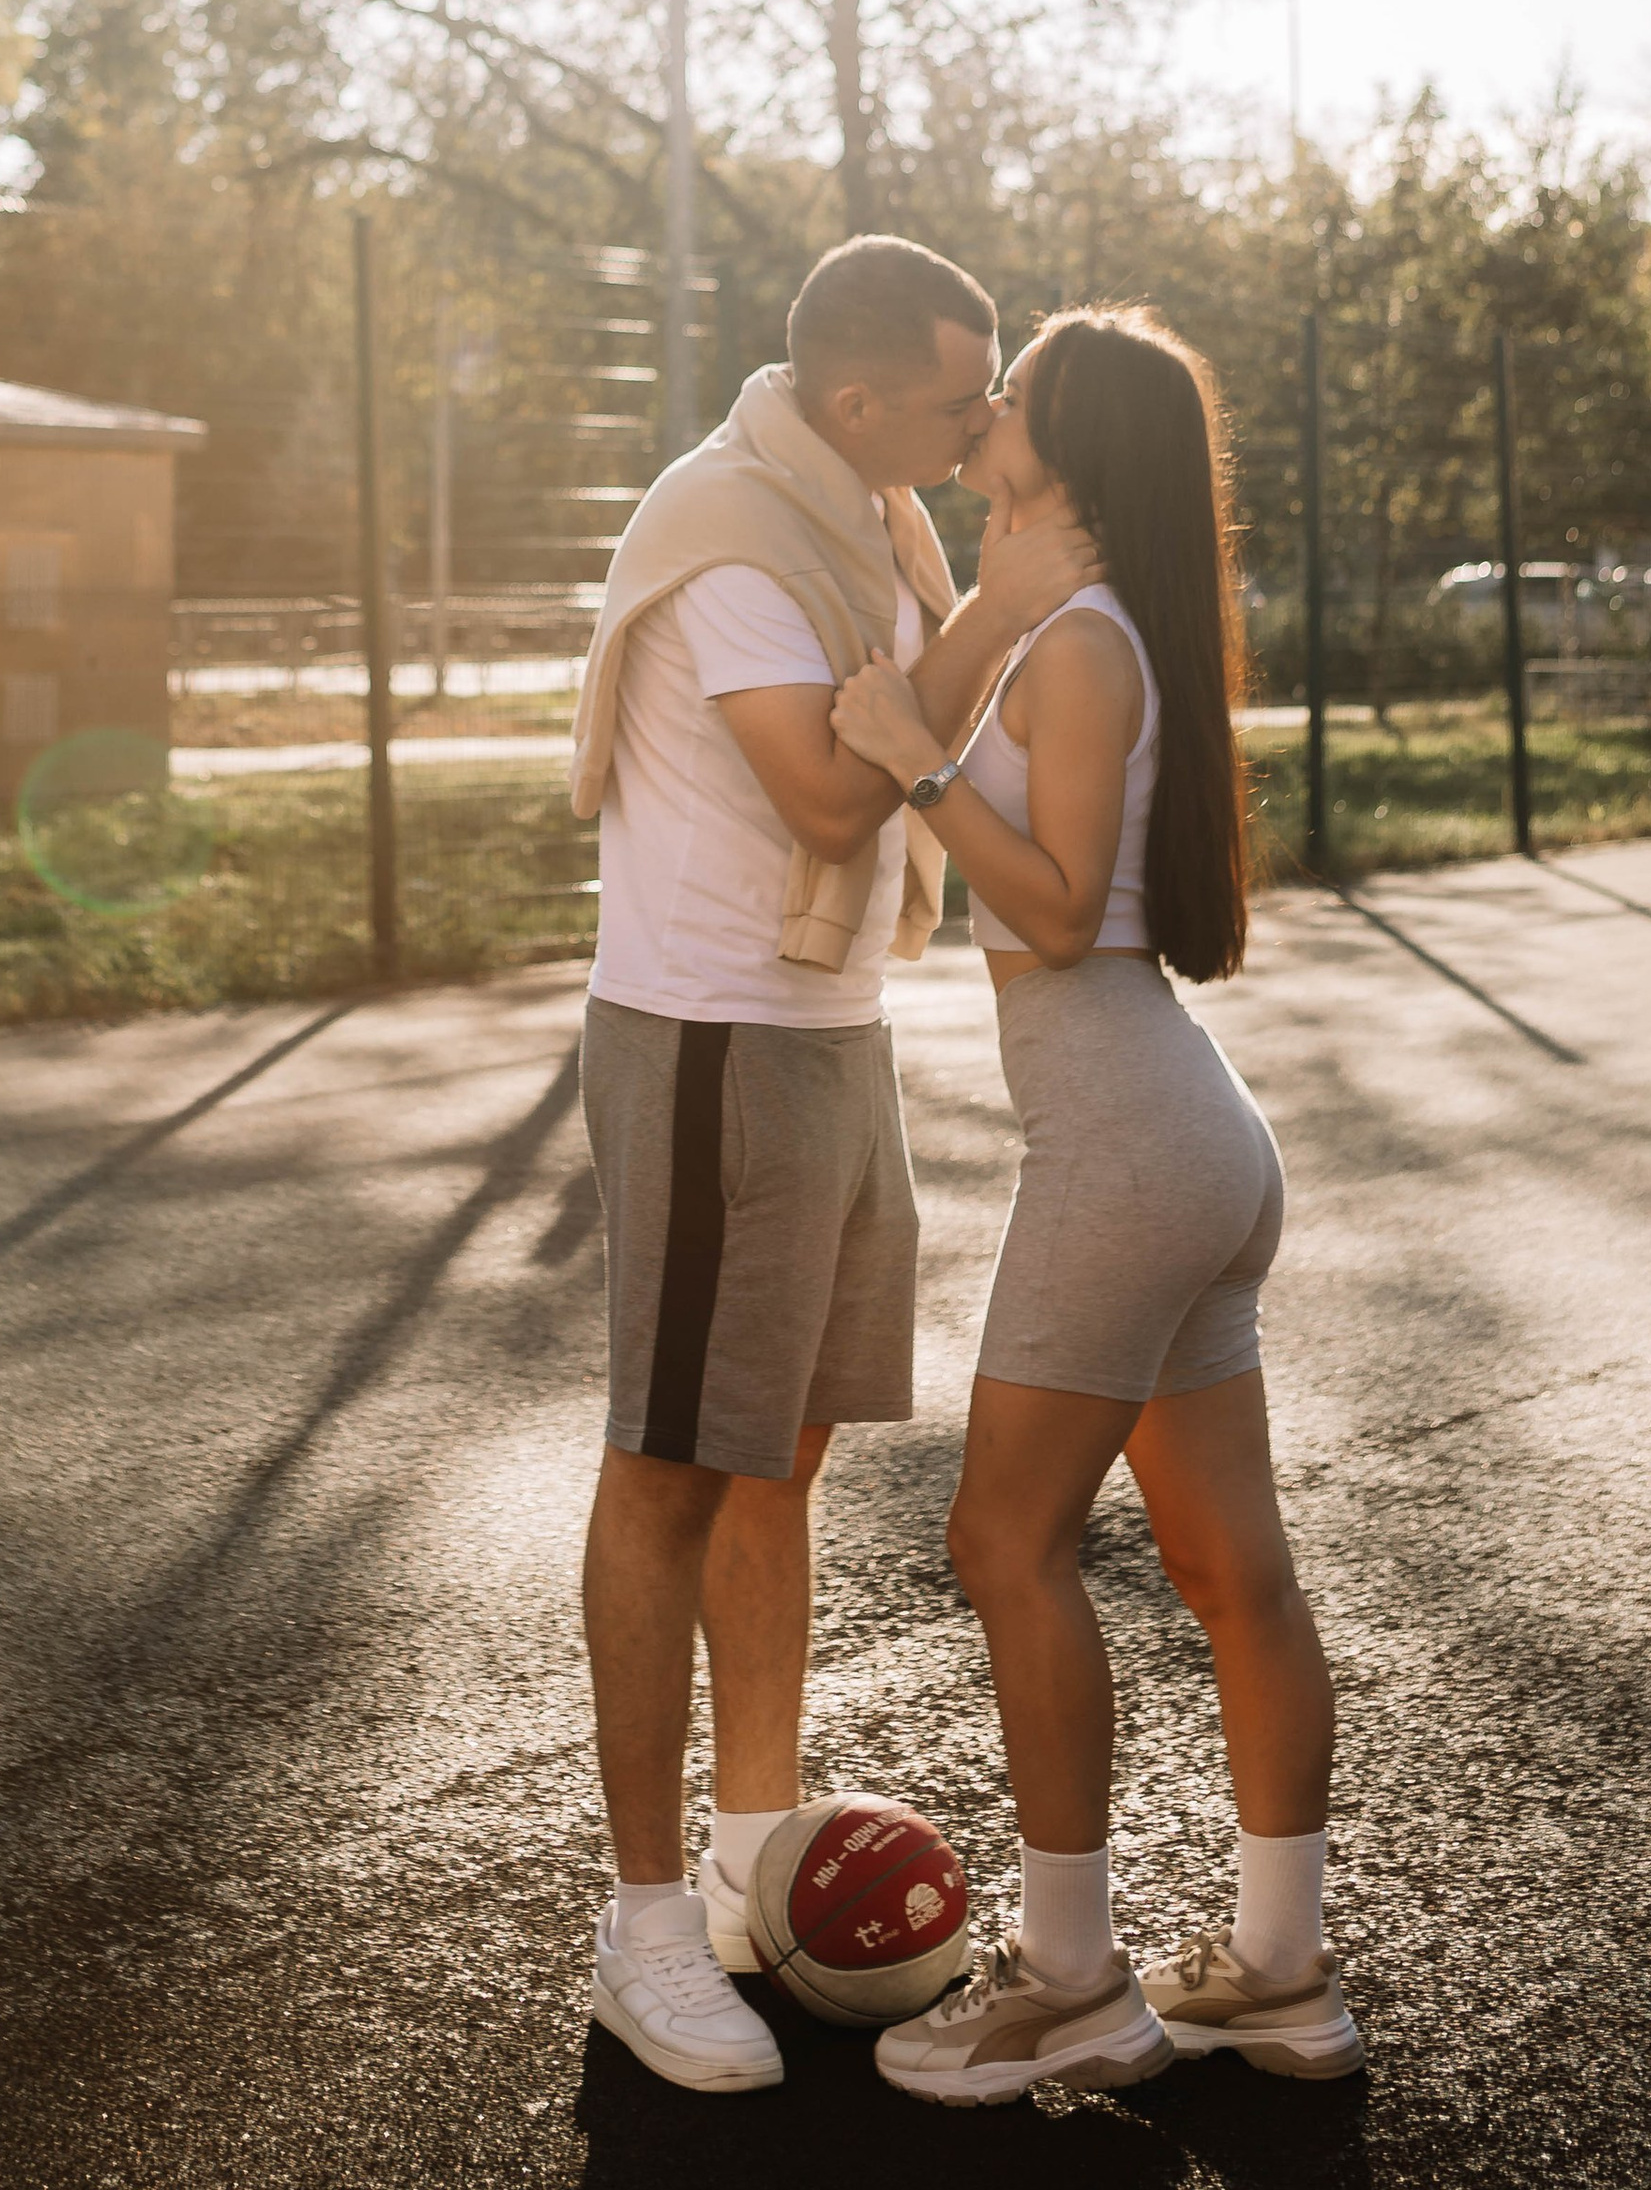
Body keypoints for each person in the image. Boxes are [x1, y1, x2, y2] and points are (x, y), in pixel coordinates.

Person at [568, 237, 1100, 2095]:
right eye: (966, 397)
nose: (985, 429)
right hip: (709, 1041)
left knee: (775, 1460)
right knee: (663, 1468)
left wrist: (984, 609)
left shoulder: (869, 508)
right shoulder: (727, 527)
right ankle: (644, 1931)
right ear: (862, 398)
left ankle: (745, 1851)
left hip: (822, 1034)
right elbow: (824, 786)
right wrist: (998, 607)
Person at [830, 304, 1362, 2107]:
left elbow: (1057, 913)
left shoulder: (1082, 649)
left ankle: (1072, 1983)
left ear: (1073, 449)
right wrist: (950, 663)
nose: (982, 416)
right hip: (1191, 1135)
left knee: (1003, 1543)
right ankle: (1280, 1977)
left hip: (1133, 1147)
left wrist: (908, 753)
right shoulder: (1088, 627)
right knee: (1230, 1572)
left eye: (1014, 402)